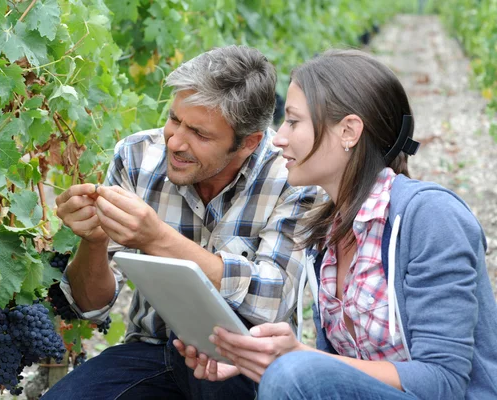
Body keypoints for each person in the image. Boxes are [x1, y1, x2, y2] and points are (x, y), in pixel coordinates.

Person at [174, 49, 497, 399]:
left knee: (294, 373)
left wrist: (299, 358)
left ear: (348, 131)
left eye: (293, 122)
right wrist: (255, 358)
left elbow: (443, 381)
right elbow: (340, 377)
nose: (278, 137)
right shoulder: (326, 232)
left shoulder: (431, 217)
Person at [42, 45, 318, 400]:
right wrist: (93, 242)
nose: (174, 141)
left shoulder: (292, 179)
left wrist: (157, 238)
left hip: (244, 363)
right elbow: (89, 305)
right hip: (151, 351)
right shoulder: (137, 156)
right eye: (174, 119)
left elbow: (271, 299)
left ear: (249, 142)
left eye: (200, 135)